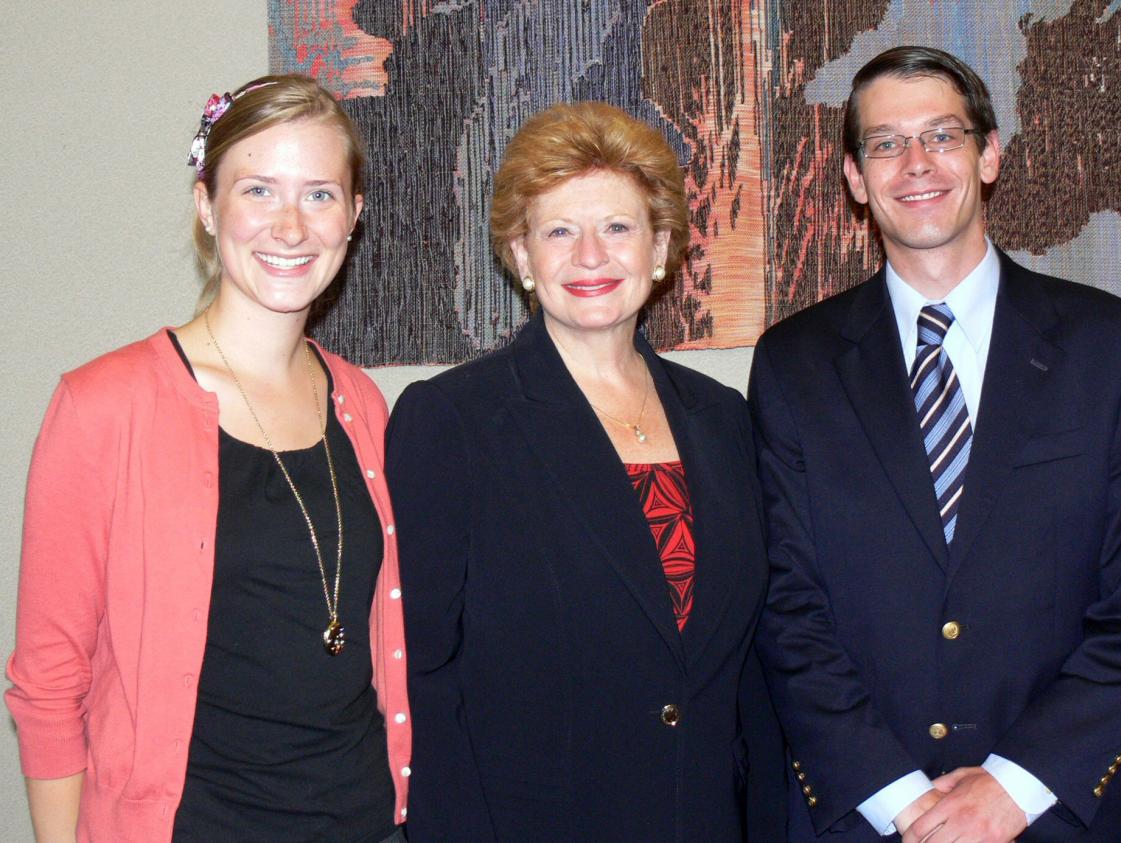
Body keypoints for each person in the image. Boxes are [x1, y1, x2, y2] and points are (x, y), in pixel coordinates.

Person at [750, 46, 1121, 842]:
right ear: (854, 177)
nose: (915, 163)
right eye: (885, 143)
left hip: (1055, 816)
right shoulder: (792, 364)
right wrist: (898, 798)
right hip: (861, 818)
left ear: (989, 155)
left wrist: (1010, 790)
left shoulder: (1114, 349)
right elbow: (786, 609)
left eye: (942, 135)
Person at [6, 75, 411, 843]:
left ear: (354, 217)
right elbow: (48, 682)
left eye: (320, 194)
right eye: (258, 189)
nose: (290, 226)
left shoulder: (363, 402)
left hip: (366, 824)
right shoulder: (104, 406)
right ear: (206, 206)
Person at [386, 100, 783, 842]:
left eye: (618, 227)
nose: (591, 256)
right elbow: (423, 679)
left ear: (660, 248)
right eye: (560, 231)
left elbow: (745, 667)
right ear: (522, 256)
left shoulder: (723, 416)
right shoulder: (453, 421)